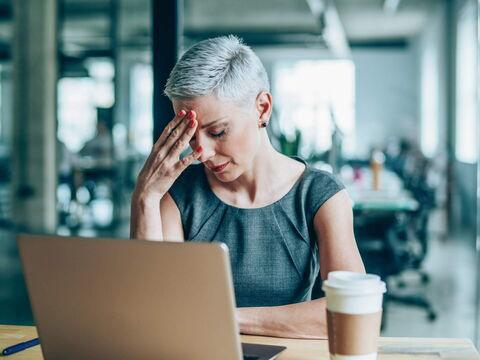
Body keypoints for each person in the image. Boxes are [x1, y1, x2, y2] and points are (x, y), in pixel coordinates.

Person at [130, 35, 365, 339]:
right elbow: (153, 310)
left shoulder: (320, 195)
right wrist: (145, 198)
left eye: (218, 131)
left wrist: (225, 318)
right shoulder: (179, 195)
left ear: (262, 108)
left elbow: (350, 310)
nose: (201, 151)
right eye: (188, 134)